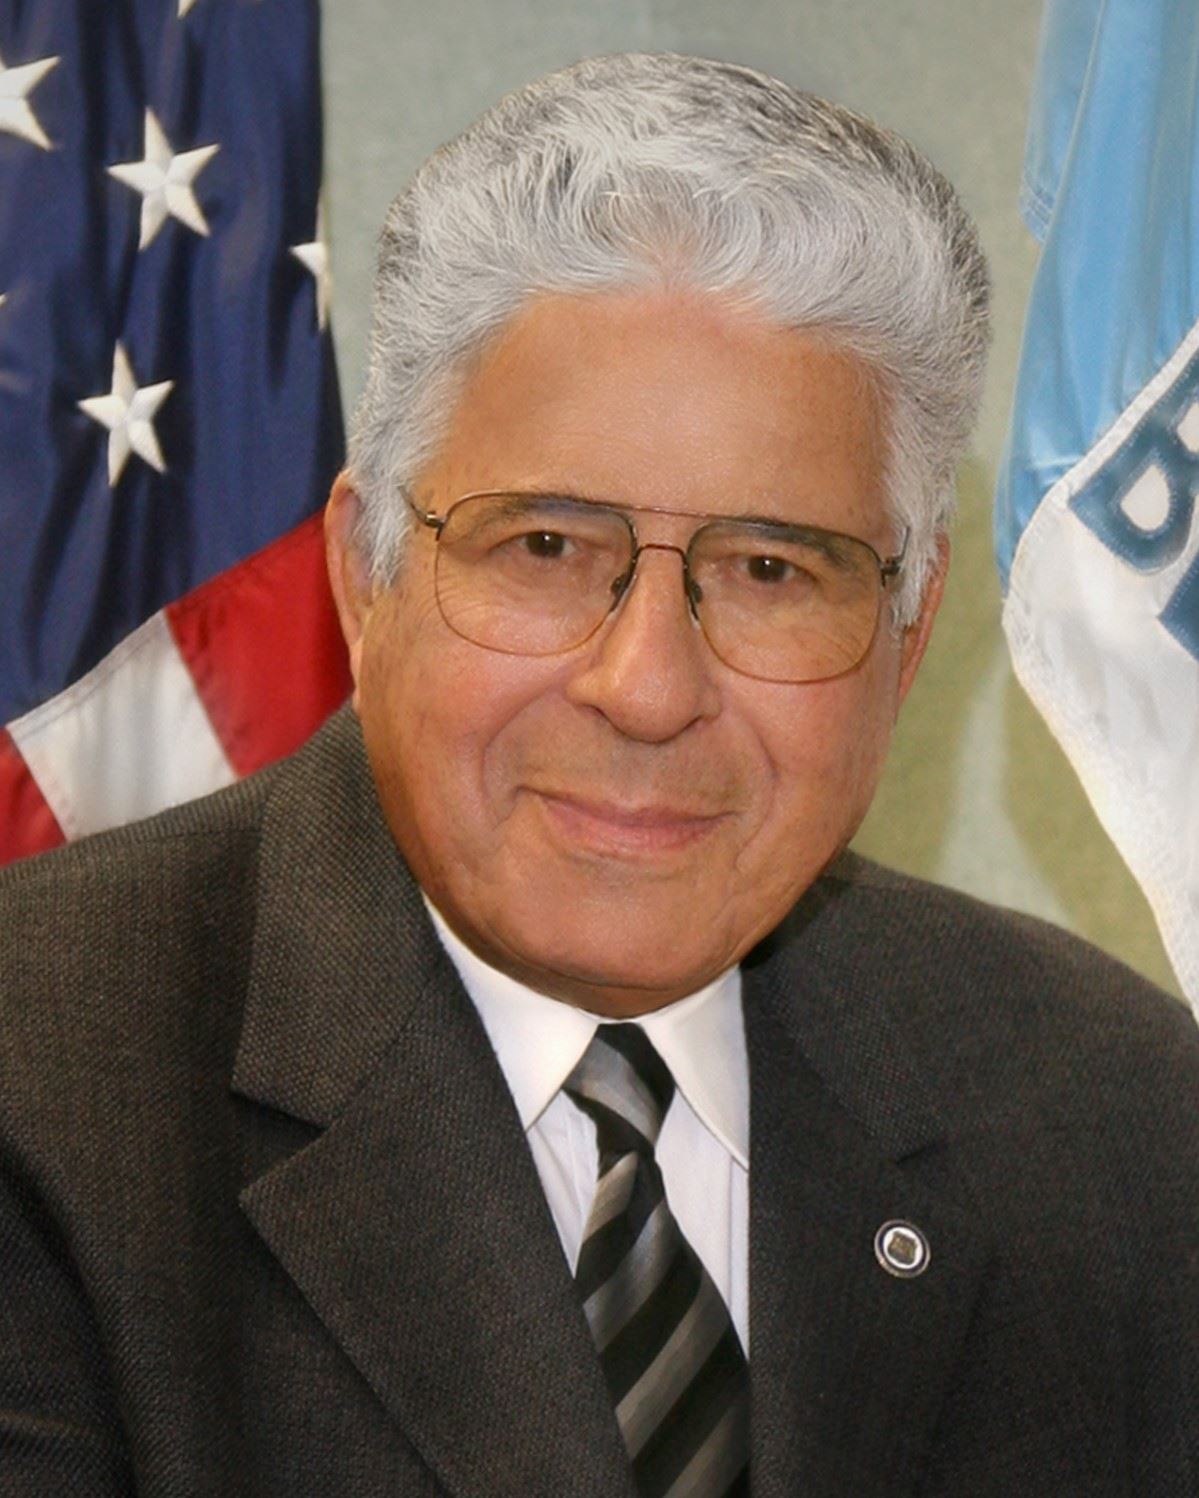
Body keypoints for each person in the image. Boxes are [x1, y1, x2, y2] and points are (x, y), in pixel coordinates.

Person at [1, 51, 1197, 1498]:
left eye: (771, 569)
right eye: (544, 547)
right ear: (362, 577)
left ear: (908, 631)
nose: (647, 688)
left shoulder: (1116, 1111)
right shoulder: (41, 1084)